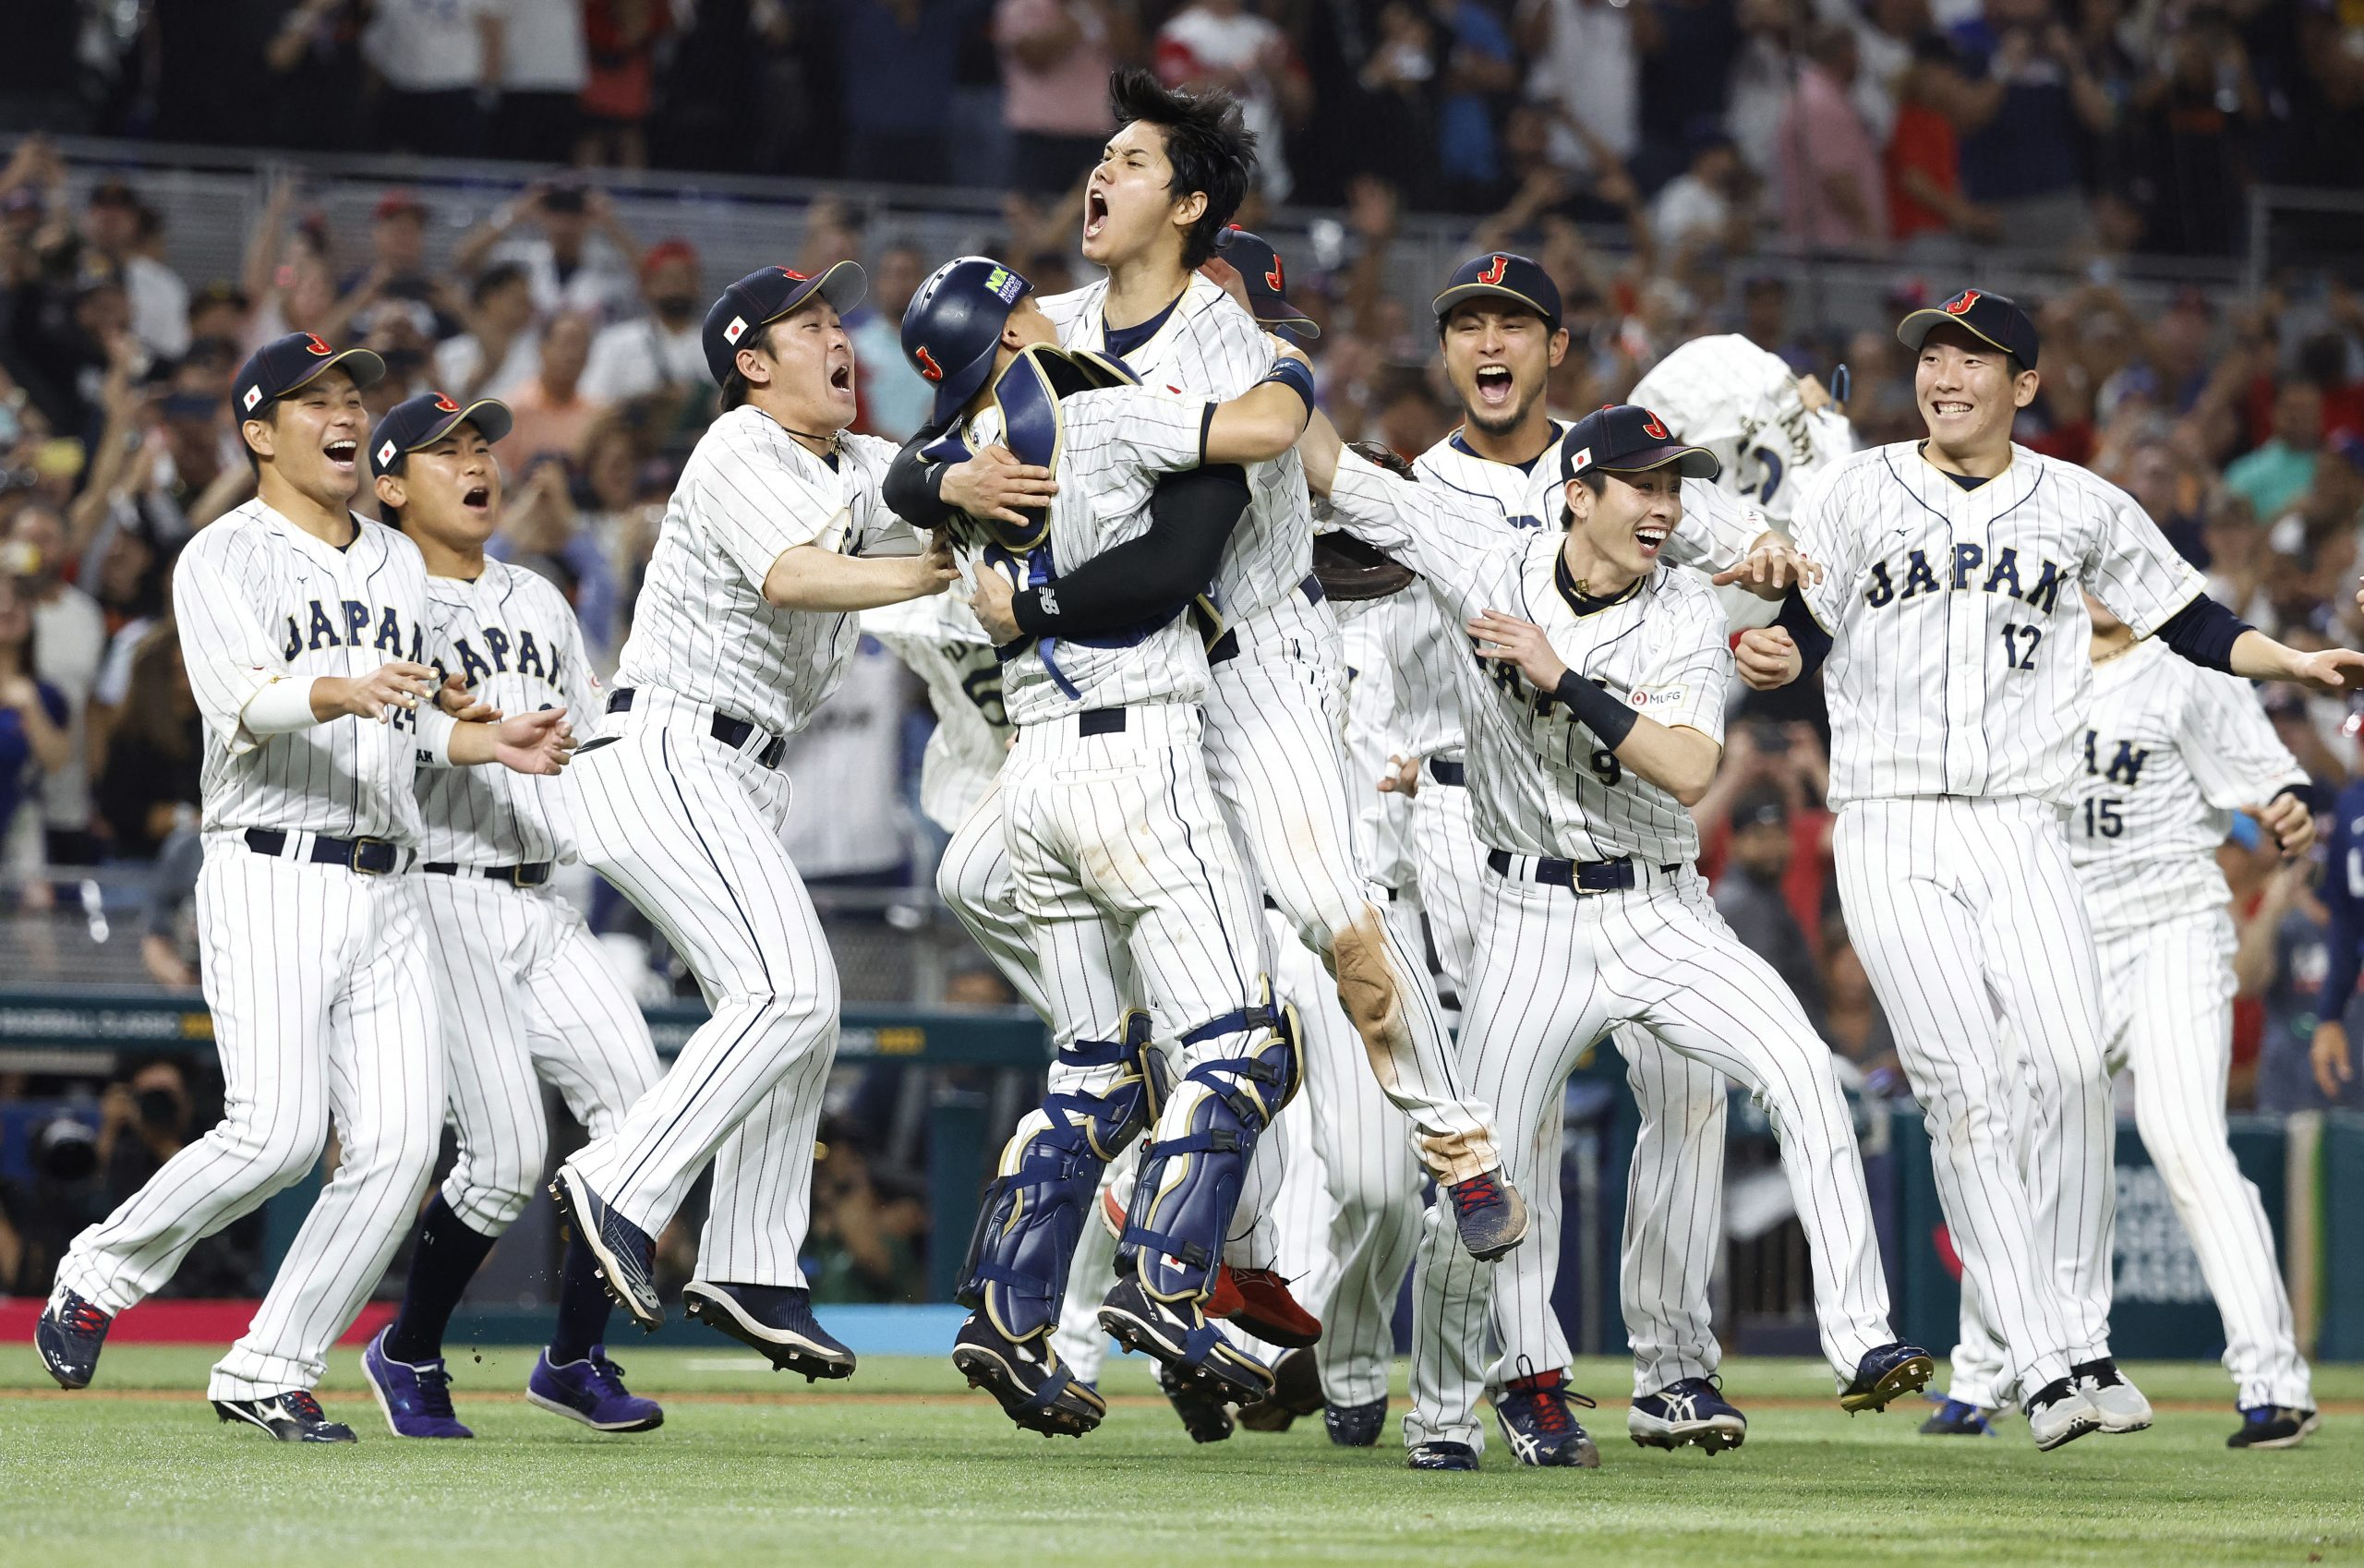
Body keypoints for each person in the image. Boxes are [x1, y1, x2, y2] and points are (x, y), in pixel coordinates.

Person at [924, 69, 1531, 1294]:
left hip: (1254, 668)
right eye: (1102, 157)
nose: (1100, 175)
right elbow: (919, 457)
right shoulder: (1047, 317)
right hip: (1125, 682)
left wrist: (1492, 589)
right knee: (979, 872)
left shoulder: (1244, 349)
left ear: (1188, 204)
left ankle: (1457, 1142)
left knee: (1328, 908)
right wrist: (946, 481)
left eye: (1133, 162)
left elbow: (1292, 455)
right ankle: (1137, 1088)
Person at [1767, 287, 2364, 1450]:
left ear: (2025, 386)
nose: (1945, 375)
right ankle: (2043, 1364)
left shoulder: (2083, 504)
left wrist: (2288, 659)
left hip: (2023, 827)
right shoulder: (1855, 490)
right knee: (1964, 1091)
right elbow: (1806, 633)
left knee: (2070, 1078)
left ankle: (2079, 1345)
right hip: (1890, 818)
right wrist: (1769, 645)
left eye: (1973, 359)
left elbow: (2188, 621)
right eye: (1931, 356)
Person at [1299, 402, 1930, 1473]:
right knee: (1485, 1181)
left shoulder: (1684, 606)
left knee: (1801, 1074)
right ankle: (1465, 1404)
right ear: (1578, 496)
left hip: (1658, 907)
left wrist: (1558, 673)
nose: (1664, 507)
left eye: (1674, 488)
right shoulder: (1482, 555)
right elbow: (1332, 466)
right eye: (1642, 486)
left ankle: (1861, 1341)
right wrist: (1240, 346)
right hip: (1526, 919)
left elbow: (1688, 770)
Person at [35, 332, 574, 1441]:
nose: (343, 413)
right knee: (278, 1133)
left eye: (350, 395)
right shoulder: (219, 557)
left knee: (395, 1146)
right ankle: (97, 1272)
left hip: (392, 878)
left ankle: (270, 1365)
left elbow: (414, 720)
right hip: (271, 863)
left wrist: (489, 741)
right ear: (257, 430)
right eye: (314, 398)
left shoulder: (391, 562)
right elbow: (246, 703)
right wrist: (340, 685)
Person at [1380, 258, 1811, 1465]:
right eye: (1466, 321)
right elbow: (1362, 623)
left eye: (1511, 320)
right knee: (1496, 1141)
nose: (1488, 339)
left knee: (1686, 1090)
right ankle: (1497, 1381)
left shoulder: (1630, 470)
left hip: (1633, 827)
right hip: (1470, 830)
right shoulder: (1429, 492)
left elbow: (1751, 568)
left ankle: (1672, 1369)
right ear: (1448, 351)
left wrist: (1769, 632)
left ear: (1556, 346)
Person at [895, 254, 1322, 1432]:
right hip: (1138, 753)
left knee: (1093, 1071)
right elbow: (1264, 434)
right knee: (1243, 1048)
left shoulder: (962, 467)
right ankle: (1171, 1287)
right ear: (1020, 317)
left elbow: (904, 483)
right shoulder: (1104, 405)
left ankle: (1003, 1311)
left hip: (1029, 774)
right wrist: (1282, 355)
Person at [549, 263, 957, 1379]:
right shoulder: (735, 444)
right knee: (790, 989)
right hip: (667, 745)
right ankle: (619, 1183)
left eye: (838, 320)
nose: (839, 337)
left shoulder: (860, 461)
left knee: (800, 1015)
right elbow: (792, 573)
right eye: (811, 324)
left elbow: (937, 481)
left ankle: (752, 1264)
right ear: (751, 363)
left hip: (741, 772)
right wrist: (930, 566)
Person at [1931, 594, 2318, 1450]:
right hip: (2056, 933)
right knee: (2011, 1145)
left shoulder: (2185, 663)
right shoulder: (2026, 663)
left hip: (2171, 925)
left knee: (2188, 1146)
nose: (2098, 580)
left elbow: (2270, 773)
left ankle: (2273, 1383)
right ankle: (1979, 1379)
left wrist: (2285, 799)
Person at [356, 391, 665, 1438]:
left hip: (546, 898)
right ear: (390, 486)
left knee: (649, 1129)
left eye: (483, 444)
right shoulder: (382, 604)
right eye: (447, 452)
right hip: (439, 891)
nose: (477, 462)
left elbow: (590, 745)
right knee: (500, 1163)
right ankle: (407, 1351)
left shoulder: (536, 597)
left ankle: (574, 1359)